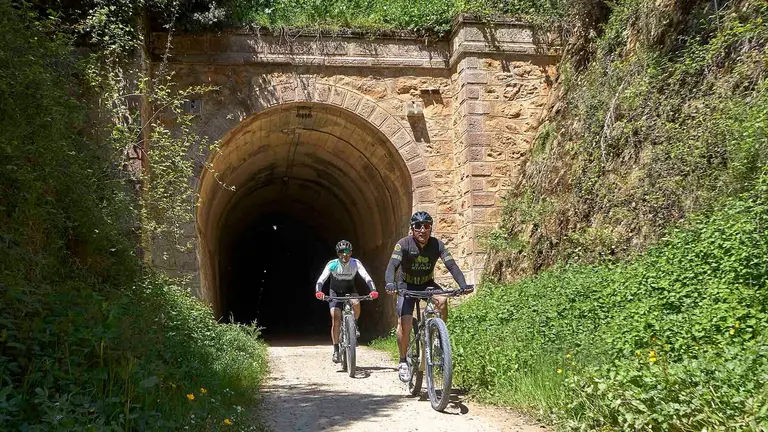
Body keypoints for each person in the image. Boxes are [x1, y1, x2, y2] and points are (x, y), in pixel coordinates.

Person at [384, 211, 474, 381]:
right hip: (406, 285)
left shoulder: (437, 245)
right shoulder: (403, 244)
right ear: (412, 229)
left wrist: (463, 285)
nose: (422, 230)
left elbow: (452, 265)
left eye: (426, 226)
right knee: (405, 324)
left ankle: (439, 339)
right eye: (418, 226)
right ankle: (403, 360)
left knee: (442, 300)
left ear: (430, 228)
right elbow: (392, 266)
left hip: (427, 284)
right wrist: (390, 284)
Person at [315, 240, 379, 363]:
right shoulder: (332, 264)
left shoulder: (355, 263)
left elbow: (366, 276)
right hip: (335, 292)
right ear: (338, 253)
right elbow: (321, 279)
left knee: (356, 303)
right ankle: (336, 350)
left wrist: (373, 290)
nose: (344, 255)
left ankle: (353, 325)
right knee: (335, 317)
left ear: (351, 253)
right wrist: (319, 291)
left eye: (347, 252)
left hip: (350, 290)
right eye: (341, 252)